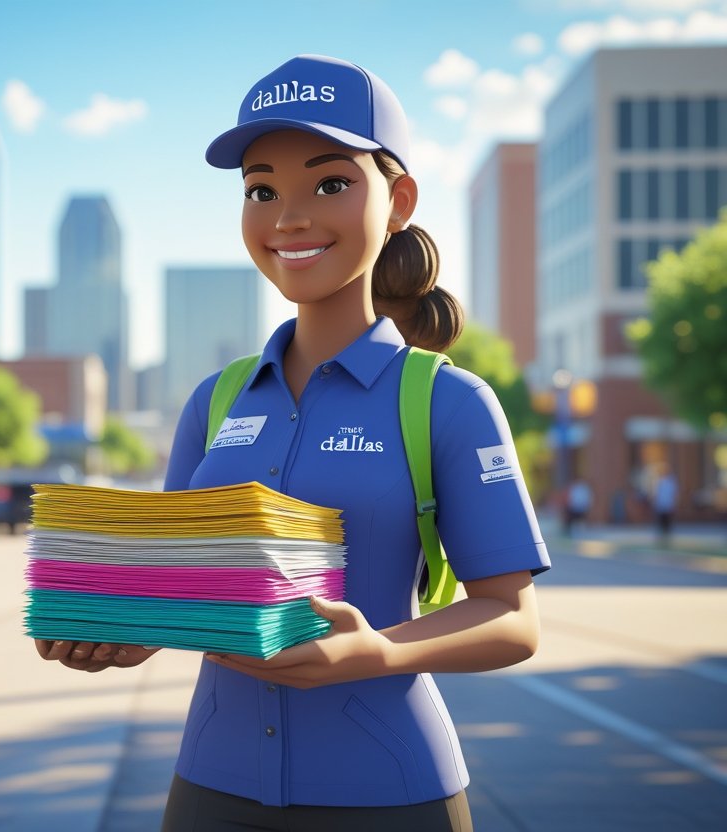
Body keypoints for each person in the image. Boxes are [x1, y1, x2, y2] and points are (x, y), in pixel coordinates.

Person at [34, 54, 549, 831]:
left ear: (399, 199)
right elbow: (179, 591)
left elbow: (512, 619)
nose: (289, 217)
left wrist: (376, 651)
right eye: (261, 190)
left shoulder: (447, 402)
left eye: (330, 183)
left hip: (389, 791)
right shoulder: (215, 400)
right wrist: (121, 632)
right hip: (212, 786)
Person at [653, 462, 678, 543]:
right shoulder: (659, 481)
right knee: (660, 521)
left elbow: (674, 493)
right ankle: (661, 536)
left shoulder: (671, 481)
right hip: (661, 504)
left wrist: (673, 503)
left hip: (668, 504)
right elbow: (657, 493)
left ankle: (667, 536)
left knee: (667, 521)